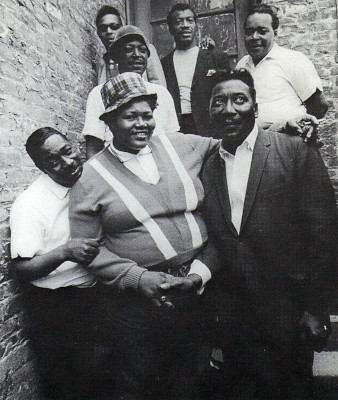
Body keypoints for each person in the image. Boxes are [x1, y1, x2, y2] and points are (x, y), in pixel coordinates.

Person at [69, 72, 220, 400]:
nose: (141, 124)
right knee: (144, 381)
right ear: (109, 121)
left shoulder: (179, 145)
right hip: (138, 304)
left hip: (197, 286)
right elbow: (88, 250)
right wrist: (140, 279)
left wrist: (286, 129)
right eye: (129, 116)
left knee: (194, 375)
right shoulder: (90, 177)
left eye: (147, 115)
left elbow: (231, 144)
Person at [201, 69, 337, 399]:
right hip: (235, 318)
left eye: (239, 99)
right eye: (219, 101)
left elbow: (323, 234)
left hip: (289, 313)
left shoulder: (293, 150)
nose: (228, 109)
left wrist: (316, 308)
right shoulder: (207, 166)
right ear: (209, 112)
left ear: (255, 108)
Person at [10, 128, 101, 400]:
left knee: (102, 377)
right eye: (54, 161)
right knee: (69, 385)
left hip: (94, 292)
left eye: (68, 151)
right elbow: (21, 269)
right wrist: (64, 252)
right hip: (57, 306)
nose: (68, 163)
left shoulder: (89, 179)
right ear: (41, 167)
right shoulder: (30, 205)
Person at [82, 25, 180, 159]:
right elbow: (93, 145)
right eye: (128, 49)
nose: (137, 55)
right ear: (116, 56)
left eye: (142, 50)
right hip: (118, 167)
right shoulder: (99, 93)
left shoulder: (161, 93)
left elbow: (174, 140)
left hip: (158, 166)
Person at [237, 4, 328, 129]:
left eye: (262, 31)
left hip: (287, 139)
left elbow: (320, 106)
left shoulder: (293, 60)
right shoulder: (242, 64)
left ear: (275, 34)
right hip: (251, 142)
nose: (254, 37)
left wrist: (300, 130)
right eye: (249, 32)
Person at [161, 3, 230, 136]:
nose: (185, 25)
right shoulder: (164, 64)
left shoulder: (215, 57)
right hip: (176, 128)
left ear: (196, 26)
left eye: (189, 20)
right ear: (170, 29)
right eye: (179, 21)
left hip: (209, 128)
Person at [95, 5, 166, 86]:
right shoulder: (102, 65)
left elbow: (159, 85)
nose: (109, 32)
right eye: (103, 28)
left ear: (122, 28)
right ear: (98, 34)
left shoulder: (144, 51)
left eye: (114, 27)